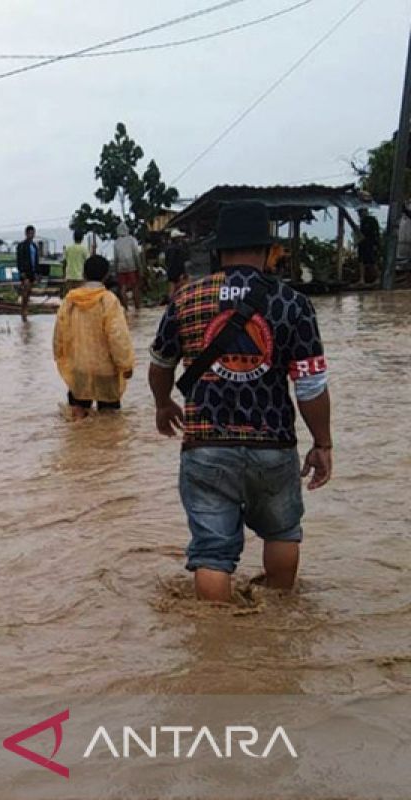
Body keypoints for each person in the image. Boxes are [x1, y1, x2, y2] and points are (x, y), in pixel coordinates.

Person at [149, 201, 332, 603]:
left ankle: (219, 647)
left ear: (219, 251)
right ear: (268, 252)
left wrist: (163, 404)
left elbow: (160, 363)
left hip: (206, 443)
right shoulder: (292, 304)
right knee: (282, 532)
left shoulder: (187, 299)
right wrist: (322, 443)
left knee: (213, 553)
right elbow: (310, 384)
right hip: (274, 443)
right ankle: (279, 620)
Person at [53, 255, 134, 419]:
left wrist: (59, 355)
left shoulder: (70, 300)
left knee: (77, 420)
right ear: (106, 275)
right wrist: (125, 364)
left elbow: (59, 333)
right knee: (110, 421)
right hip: (106, 370)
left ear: (84, 274)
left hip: (78, 368)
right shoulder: (109, 300)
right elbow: (117, 336)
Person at [112, 221, 144, 310]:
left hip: (121, 268)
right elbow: (136, 255)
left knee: (123, 287)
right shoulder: (132, 240)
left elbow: (116, 258)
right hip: (132, 267)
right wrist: (139, 268)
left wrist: (115, 271)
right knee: (135, 286)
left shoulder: (116, 243)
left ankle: (126, 308)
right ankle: (138, 307)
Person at [16, 225, 40, 318]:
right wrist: (22, 272)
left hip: (32, 272)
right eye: (30, 233)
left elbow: (36, 260)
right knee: (25, 292)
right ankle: (23, 310)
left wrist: (38, 273)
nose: (32, 235)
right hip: (25, 272)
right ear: (26, 234)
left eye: (33, 233)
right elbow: (19, 259)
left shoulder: (34, 246)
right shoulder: (22, 246)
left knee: (29, 292)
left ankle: (26, 309)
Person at [163, 232, 189, 302]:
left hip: (170, 272)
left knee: (172, 290)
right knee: (184, 288)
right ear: (177, 239)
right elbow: (180, 262)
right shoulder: (179, 249)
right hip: (178, 272)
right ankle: (183, 302)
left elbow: (167, 261)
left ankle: (170, 304)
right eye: (179, 237)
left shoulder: (167, 249)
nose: (181, 239)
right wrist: (183, 273)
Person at [61, 230, 89, 298]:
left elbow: (64, 262)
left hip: (69, 277)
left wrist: (64, 274)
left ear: (73, 237)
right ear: (82, 238)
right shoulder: (84, 249)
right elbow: (87, 263)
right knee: (80, 297)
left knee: (70, 297)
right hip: (80, 277)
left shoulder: (68, 249)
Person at [358, 209, 382, 285]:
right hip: (362, 243)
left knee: (372, 261)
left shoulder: (371, 220)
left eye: (361, 212)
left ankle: (379, 278)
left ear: (365, 211)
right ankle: (362, 279)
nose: (360, 214)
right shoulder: (362, 221)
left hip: (370, 243)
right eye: (359, 212)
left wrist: (376, 244)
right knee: (361, 261)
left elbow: (376, 233)